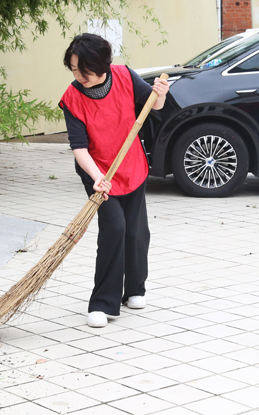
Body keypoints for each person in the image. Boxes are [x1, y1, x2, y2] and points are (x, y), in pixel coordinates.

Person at [58, 33, 169, 328]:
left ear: (102, 65)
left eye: (85, 70)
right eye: (74, 69)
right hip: (97, 171)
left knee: (136, 231)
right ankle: (102, 302)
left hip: (131, 166)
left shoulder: (124, 76)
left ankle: (134, 289)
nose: (79, 76)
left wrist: (160, 94)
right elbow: (79, 148)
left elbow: (155, 106)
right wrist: (97, 178)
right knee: (114, 228)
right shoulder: (72, 97)